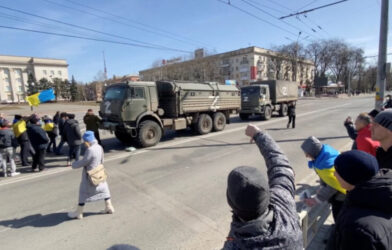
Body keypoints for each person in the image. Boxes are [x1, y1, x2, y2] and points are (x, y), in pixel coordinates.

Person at [223, 124, 303, 250]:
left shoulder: (235, 245)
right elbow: (280, 163)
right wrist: (258, 134)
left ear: (231, 203)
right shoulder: (284, 201)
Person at [330, 150, 392, 250]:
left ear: (350, 177)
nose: (334, 174)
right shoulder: (380, 193)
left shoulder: (357, 230)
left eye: (337, 171)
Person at [68, 131, 114, 219]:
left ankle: (79, 212)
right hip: (100, 172)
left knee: (83, 193)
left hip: (90, 175)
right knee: (104, 189)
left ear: (88, 140)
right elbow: (102, 160)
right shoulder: (99, 147)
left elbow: (84, 162)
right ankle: (109, 207)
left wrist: (74, 165)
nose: (84, 143)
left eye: (85, 141)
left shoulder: (90, 150)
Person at [301, 136, 346, 221]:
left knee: (339, 215)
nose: (306, 155)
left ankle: (338, 231)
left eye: (308, 153)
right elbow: (323, 176)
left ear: (314, 152)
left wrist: (316, 199)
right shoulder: (322, 157)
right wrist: (322, 186)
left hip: (342, 196)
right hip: (338, 194)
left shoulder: (327, 164)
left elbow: (332, 186)